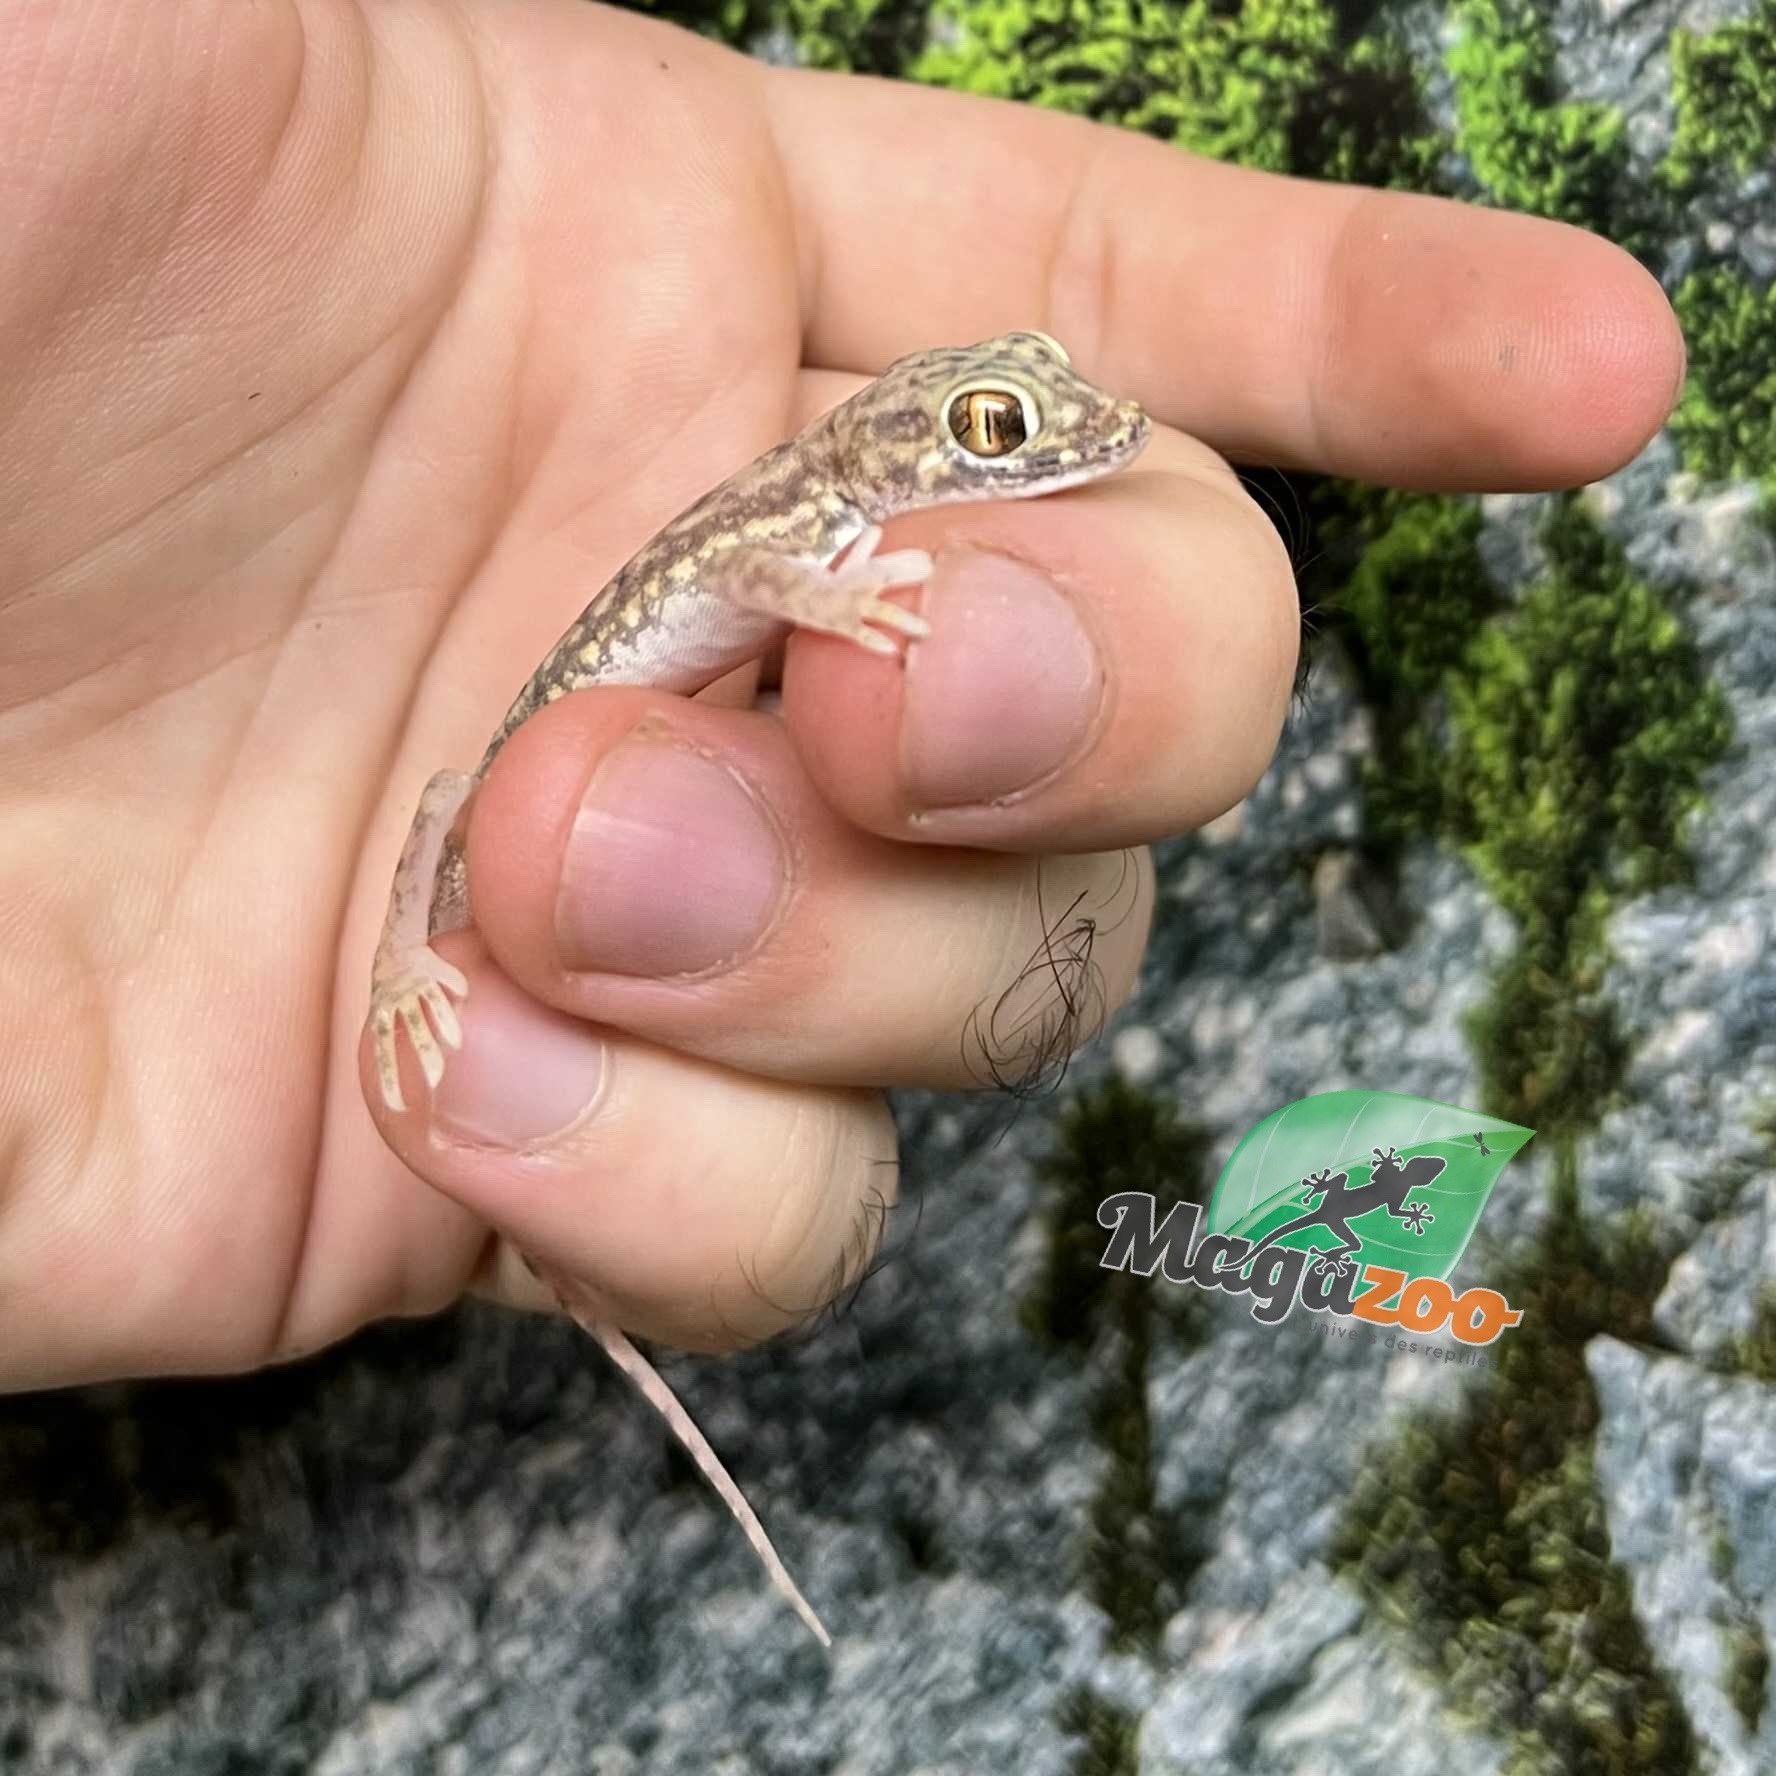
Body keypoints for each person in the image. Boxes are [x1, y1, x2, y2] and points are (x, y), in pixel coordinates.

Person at [0, 0, 1684, 1391]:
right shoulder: (805, 523)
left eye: (1023, 412)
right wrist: (395, 975)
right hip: (489, 783)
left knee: (512, 835)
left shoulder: (837, 501)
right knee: (460, 830)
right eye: (999, 437)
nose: (1063, 439)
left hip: (479, 835)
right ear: (897, 455)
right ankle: (406, 978)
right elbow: (751, 584)